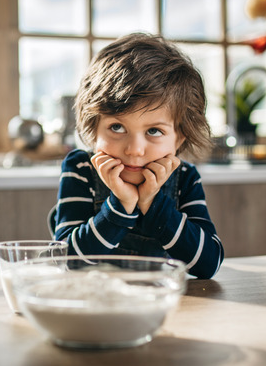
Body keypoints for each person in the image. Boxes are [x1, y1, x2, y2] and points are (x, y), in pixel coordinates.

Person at [53, 33, 223, 279]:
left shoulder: (184, 178)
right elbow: (65, 260)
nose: (134, 149)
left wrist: (152, 204)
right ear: (93, 128)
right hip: (93, 306)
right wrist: (121, 205)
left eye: (154, 131)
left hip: (159, 307)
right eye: (117, 127)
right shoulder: (80, 169)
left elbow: (209, 264)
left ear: (180, 138)